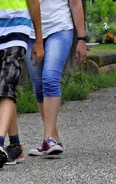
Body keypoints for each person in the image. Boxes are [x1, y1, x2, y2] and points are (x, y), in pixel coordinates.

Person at [0, 0, 44, 169]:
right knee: (2, 93)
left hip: (17, 28)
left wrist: (38, 40)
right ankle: (15, 146)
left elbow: (33, 2)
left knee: (6, 86)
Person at [24, 0, 88, 157]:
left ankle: (48, 138)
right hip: (29, 33)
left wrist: (81, 39)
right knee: (38, 85)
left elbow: (75, 3)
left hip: (59, 28)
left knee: (50, 79)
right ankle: (53, 139)